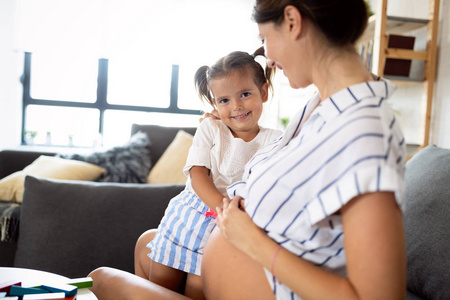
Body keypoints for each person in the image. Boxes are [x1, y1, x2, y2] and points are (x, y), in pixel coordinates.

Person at [88, 1, 407, 299]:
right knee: (145, 246)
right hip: (218, 269)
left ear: (293, 22)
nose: (267, 58)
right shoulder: (324, 108)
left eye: (264, 38)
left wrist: (253, 243)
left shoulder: (363, 129)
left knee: (99, 279)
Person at [132, 48, 282, 300]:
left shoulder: (275, 140)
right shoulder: (211, 128)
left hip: (225, 229)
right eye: (224, 100)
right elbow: (197, 175)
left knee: (198, 290)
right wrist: (222, 207)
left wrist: (230, 216)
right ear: (215, 103)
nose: (236, 106)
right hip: (192, 215)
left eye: (245, 94)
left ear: (264, 92)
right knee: (162, 285)